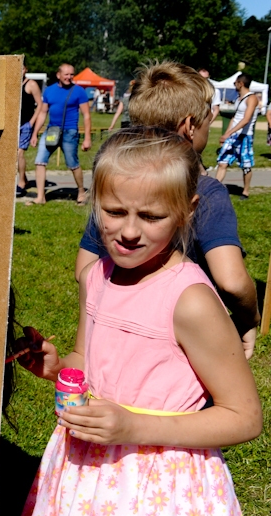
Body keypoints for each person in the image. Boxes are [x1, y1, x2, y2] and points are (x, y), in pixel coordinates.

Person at [11, 127, 262, 516]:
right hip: (89, 476)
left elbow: (244, 417)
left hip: (159, 487)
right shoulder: (98, 277)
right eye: (114, 211)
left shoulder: (192, 301)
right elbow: (90, 362)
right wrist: (56, 366)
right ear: (95, 204)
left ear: (187, 211)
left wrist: (134, 429)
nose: (128, 231)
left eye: (150, 216)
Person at [77, 62, 260, 357]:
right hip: (183, 348)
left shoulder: (118, 187)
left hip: (112, 339)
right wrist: (249, 319)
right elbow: (233, 281)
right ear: (190, 126)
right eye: (207, 122)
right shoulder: (206, 192)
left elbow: (83, 269)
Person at [30, 63, 92, 205]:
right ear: (58, 75)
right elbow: (42, 113)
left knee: (72, 164)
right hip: (51, 131)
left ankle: (81, 192)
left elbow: (87, 115)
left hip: (70, 133)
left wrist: (87, 138)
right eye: (66, 74)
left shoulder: (79, 91)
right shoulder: (49, 91)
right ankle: (40, 197)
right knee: (39, 161)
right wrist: (35, 133)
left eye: (71, 74)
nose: (69, 77)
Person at [215, 73, 259, 198]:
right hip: (233, 135)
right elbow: (235, 117)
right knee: (222, 162)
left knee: (246, 165)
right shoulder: (239, 99)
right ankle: (216, 188)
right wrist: (226, 135)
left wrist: (229, 132)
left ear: (241, 83)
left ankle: (245, 191)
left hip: (244, 136)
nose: (234, 85)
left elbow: (246, 119)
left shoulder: (252, 98)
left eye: (235, 83)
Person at [16, 65, 43, 197]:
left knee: (19, 154)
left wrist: (31, 122)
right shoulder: (12, 83)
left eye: (21, 68)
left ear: (26, 69)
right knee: (14, 155)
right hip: (14, 124)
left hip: (26, 124)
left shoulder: (31, 84)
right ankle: (25, 179)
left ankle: (21, 182)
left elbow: (40, 104)